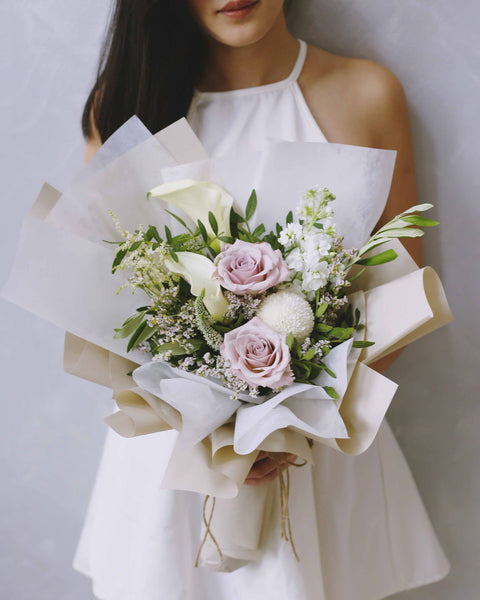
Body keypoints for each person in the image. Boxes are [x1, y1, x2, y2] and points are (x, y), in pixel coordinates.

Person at [74, 1, 450, 598]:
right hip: (175, 463)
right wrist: (214, 434)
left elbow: (400, 303)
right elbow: (105, 302)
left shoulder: (366, 93)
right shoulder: (125, 101)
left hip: (319, 455)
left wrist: (286, 429)